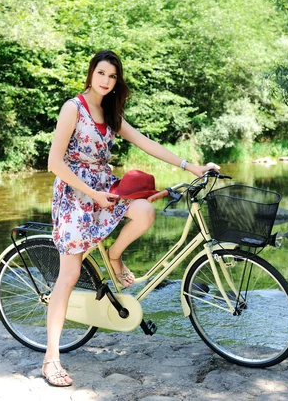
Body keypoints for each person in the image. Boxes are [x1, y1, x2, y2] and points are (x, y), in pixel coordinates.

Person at [43, 49, 220, 386]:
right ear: (91, 73)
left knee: (144, 210)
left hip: (104, 187)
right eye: (101, 74)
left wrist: (191, 166)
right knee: (70, 274)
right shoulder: (73, 108)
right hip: (74, 193)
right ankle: (51, 359)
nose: (106, 81)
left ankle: (114, 253)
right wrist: (93, 195)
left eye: (112, 76)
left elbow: (146, 143)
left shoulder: (110, 113)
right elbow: (55, 163)